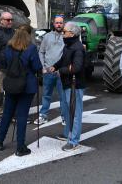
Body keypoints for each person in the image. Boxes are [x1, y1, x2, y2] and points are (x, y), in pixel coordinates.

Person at [0, 25, 42, 156]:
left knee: (7, 114)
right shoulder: (31, 48)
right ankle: (20, 147)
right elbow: (37, 67)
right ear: (28, 35)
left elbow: (4, 64)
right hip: (27, 86)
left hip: (11, 84)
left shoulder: (8, 48)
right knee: (22, 116)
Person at [52, 22, 86, 152]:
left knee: (75, 113)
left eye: (64, 31)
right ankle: (68, 135)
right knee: (68, 111)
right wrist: (54, 66)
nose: (62, 33)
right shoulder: (69, 45)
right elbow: (63, 60)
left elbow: (76, 67)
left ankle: (74, 141)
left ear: (72, 33)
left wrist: (61, 70)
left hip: (75, 85)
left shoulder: (77, 48)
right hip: (68, 83)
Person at [34, 15, 66, 126]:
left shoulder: (67, 37)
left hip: (61, 73)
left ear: (63, 24)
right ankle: (43, 116)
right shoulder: (47, 37)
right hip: (48, 72)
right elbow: (41, 52)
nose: (59, 25)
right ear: (53, 24)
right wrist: (43, 67)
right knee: (46, 95)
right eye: (57, 23)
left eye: (61, 23)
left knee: (63, 96)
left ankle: (64, 116)